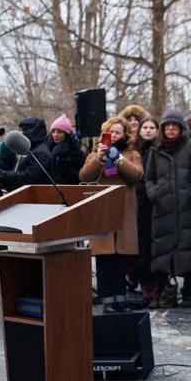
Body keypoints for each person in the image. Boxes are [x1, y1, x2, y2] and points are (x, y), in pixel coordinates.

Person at [80, 116, 144, 313]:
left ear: (124, 134)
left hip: (124, 211)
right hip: (103, 211)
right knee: (104, 258)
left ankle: (120, 298)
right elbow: (84, 176)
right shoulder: (94, 153)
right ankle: (108, 300)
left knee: (120, 259)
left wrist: (119, 159)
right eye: (109, 132)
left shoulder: (132, 154)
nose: (113, 136)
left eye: (117, 132)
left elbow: (136, 175)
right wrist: (99, 160)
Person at [0, 118, 54, 299]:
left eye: (24, 131)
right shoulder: (30, 151)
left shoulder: (40, 153)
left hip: (37, 208)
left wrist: (2, 175)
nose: (22, 134)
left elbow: (27, 178)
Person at [144, 109, 191, 308]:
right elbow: (149, 178)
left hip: (188, 208)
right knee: (161, 250)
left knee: (190, 249)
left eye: (174, 125)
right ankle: (161, 293)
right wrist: (154, 193)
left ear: (180, 128)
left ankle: (188, 293)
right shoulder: (155, 150)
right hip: (163, 208)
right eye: (167, 125)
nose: (170, 129)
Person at [134, 117, 160, 304]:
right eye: (145, 127)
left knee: (156, 244)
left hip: (158, 201)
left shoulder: (160, 150)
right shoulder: (135, 150)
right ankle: (144, 282)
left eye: (152, 127)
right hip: (139, 202)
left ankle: (158, 283)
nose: (148, 130)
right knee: (141, 244)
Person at [47, 114, 85, 184]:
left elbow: (78, 176)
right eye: (53, 131)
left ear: (66, 134)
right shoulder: (48, 147)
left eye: (59, 132)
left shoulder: (75, 151)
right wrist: (53, 156)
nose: (55, 135)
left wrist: (64, 162)